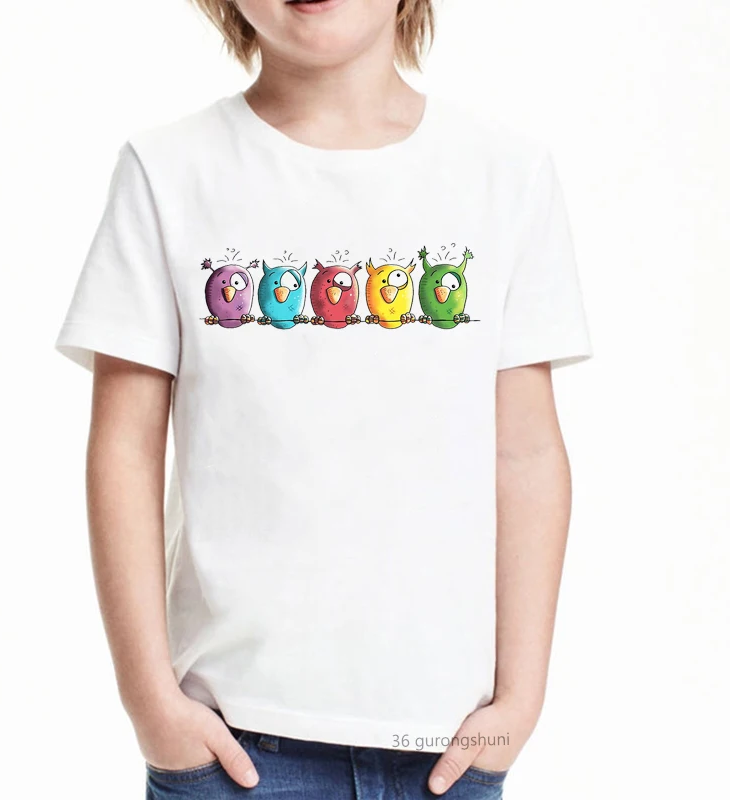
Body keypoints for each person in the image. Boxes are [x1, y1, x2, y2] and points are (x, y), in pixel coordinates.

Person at [54, 1, 592, 796]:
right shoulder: (166, 172)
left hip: (446, 746)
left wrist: (519, 703)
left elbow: (527, 452)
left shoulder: (506, 176)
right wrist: (151, 705)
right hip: (234, 747)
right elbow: (124, 446)